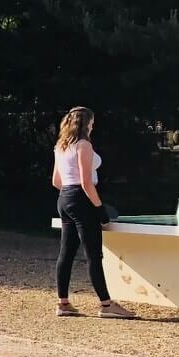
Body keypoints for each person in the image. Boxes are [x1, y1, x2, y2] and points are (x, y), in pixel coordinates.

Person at [52, 106, 133, 319]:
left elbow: (56, 181)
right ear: (86, 123)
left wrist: (70, 197)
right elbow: (87, 182)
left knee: (66, 253)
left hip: (64, 198)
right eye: (92, 122)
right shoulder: (83, 145)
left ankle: (63, 302)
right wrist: (99, 208)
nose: (93, 126)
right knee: (93, 255)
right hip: (81, 198)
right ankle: (106, 305)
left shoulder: (60, 146)